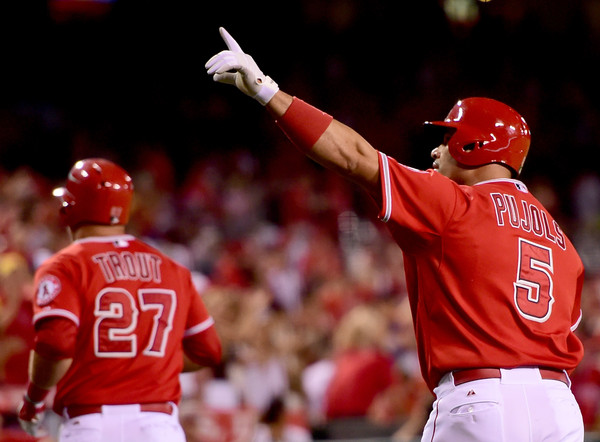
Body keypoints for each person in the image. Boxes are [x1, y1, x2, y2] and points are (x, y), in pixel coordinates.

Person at [206, 27, 586, 441]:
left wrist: (268, 93)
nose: (436, 150)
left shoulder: (456, 203)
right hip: (559, 407)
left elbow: (354, 158)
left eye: (447, 137)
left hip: (483, 399)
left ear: (476, 145)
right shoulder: (560, 239)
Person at [17, 158, 222, 441]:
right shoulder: (173, 268)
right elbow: (208, 350)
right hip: (158, 426)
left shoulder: (65, 266)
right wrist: (147, 362)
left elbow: (55, 343)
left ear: (69, 208)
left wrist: (33, 400)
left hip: (92, 423)